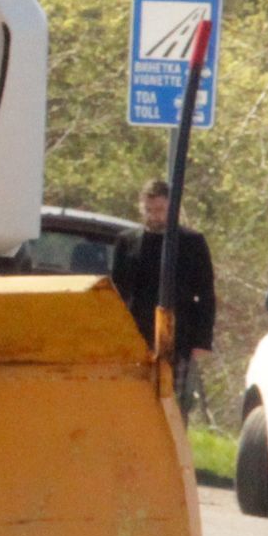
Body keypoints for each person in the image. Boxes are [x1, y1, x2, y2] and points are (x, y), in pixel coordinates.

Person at [111, 177, 218, 419]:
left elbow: (206, 294)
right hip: (137, 336)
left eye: (160, 210)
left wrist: (202, 340)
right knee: (136, 400)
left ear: (172, 207)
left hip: (179, 337)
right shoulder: (127, 242)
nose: (154, 216)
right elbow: (117, 293)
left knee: (174, 403)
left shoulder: (192, 243)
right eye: (149, 210)